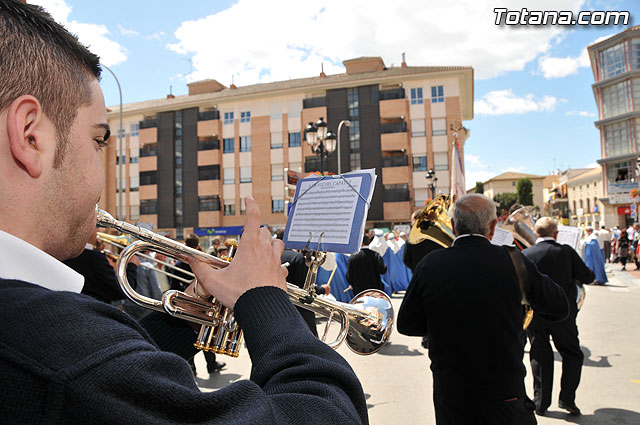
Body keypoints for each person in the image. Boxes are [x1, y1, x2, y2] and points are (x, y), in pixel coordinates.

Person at [0, 2, 368, 423]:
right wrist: (266, 298)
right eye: (98, 140)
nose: (100, 166)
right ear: (31, 136)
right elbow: (324, 414)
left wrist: (190, 313)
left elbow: (129, 381)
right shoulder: (59, 346)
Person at [397, 194, 569, 425]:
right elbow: (559, 307)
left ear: (454, 226)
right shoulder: (514, 260)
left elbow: (406, 324)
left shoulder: (429, 264)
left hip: (452, 395)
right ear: (493, 226)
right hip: (504, 393)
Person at [522, 217, 595, 416]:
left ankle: (541, 403)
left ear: (535, 234)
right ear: (556, 234)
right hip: (564, 314)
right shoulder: (566, 252)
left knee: (539, 355)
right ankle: (567, 400)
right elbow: (589, 276)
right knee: (572, 354)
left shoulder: (526, 254)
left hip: (536, 315)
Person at [275, 229, 330, 337]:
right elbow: (305, 289)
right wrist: (323, 289)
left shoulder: (271, 257)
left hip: (278, 310)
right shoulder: (298, 258)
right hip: (300, 312)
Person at [63, 228, 139, 304]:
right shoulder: (93, 258)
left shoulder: (67, 252)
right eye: (96, 228)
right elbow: (122, 290)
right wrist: (132, 265)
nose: (98, 231)